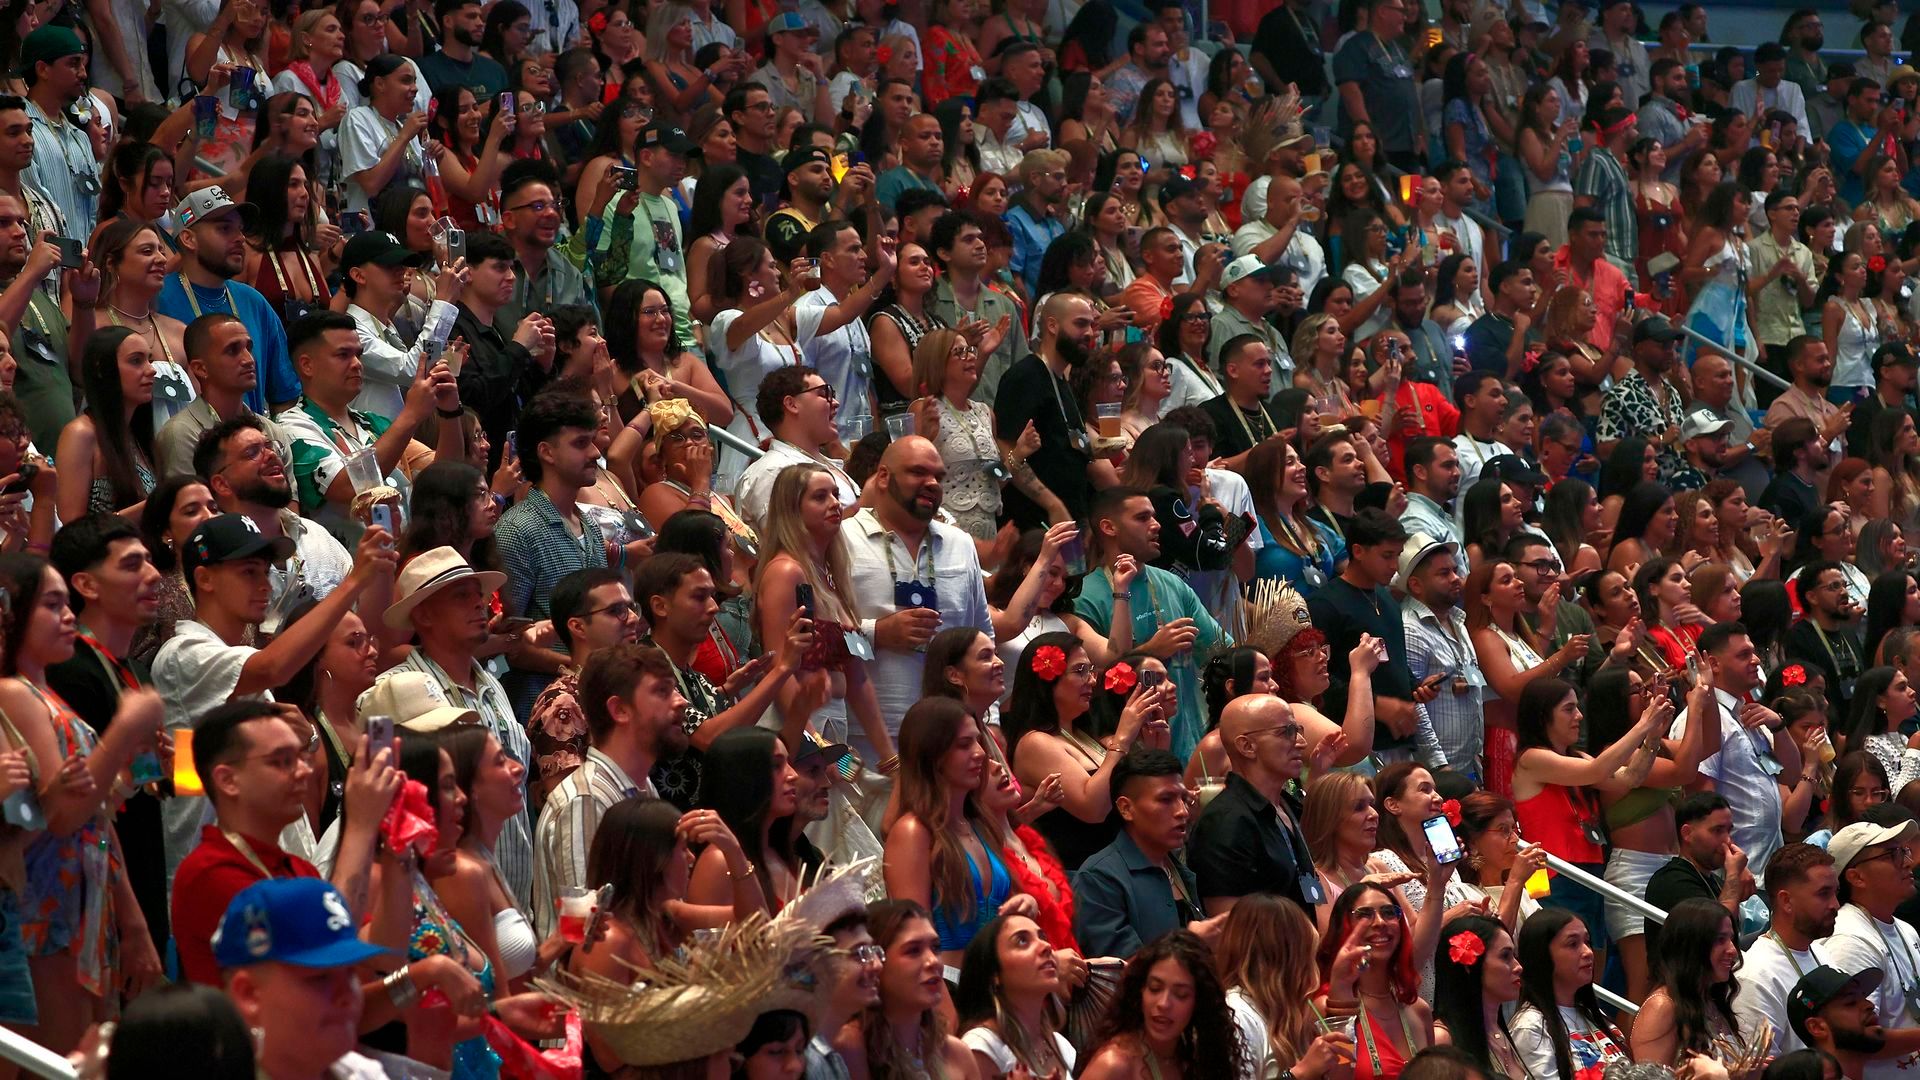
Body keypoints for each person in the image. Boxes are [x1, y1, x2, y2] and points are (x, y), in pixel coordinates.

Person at [151, 512, 393, 889]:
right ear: (205, 578)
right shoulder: (183, 652)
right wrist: (355, 581)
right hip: (221, 880)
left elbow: (193, 770)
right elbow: (274, 667)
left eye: (265, 572)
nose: (263, 583)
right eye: (248, 572)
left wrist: (302, 740)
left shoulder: (237, 665)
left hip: (267, 872)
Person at [169, 697, 396, 988]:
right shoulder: (209, 872)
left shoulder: (298, 868)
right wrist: (361, 825)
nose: (304, 771)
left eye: (303, 758)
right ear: (228, 780)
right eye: (284, 761)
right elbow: (327, 947)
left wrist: (401, 856)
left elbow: (383, 955)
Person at [531, 641, 688, 938]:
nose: (681, 702)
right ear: (619, 710)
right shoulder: (585, 799)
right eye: (662, 692)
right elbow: (585, 932)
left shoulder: (642, 787)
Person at [1072, 485, 1223, 759]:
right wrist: (1151, 651)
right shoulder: (1086, 596)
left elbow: (1220, 651)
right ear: (1109, 527)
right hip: (1131, 756)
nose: (1156, 525)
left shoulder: (1172, 583)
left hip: (1193, 747)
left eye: (1154, 517)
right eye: (1142, 518)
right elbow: (1087, 686)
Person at [212, 879, 407, 1080]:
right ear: (249, 994)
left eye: (350, 973)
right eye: (320, 978)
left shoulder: (362, 1073)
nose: (347, 996)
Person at [156, 189, 301, 413]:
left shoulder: (254, 301)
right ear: (188, 239)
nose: (240, 238)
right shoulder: (157, 300)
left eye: (240, 230)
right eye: (225, 228)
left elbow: (284, 397)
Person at [1074, 747, 1221, 958]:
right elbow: (1119, 973)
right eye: (1166, 800)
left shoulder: (1177, 867)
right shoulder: (1099, 878)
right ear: (1126, 808)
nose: (1182, 811)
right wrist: (1192, 943)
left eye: (1183, 798)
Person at [1190, 693, 1320, 915]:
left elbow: (1311, 890)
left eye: (1298, 730)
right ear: (1247, 746)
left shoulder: (1288, 806)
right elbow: (1231, 927)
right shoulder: (1224, 823)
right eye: (1287, 732)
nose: (1301, 742)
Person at [1078, 930, 1249, 1080]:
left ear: (1199, 1002)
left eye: (1180, 995)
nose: (1164, 1003)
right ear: (1140, 990)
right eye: (1155, 989)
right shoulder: (1113, 1064)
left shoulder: (1194, 1054)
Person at [154, 314, 296, 482]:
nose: (249, 360)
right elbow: (191, 505)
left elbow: (290, 505)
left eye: (248, 348)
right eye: (233, 350)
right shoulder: (182, 434)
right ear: (201, 368)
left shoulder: (272, 430)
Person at [1733, 843, 1841, 1056]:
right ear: (1786, 901)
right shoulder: (1756, 977)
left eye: (1835, 893)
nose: (1835, 905)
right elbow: (1758, 1071)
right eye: (1823, 894)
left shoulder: (1822, 954)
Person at [1508, 910, 1630, 1080]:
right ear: (1542, 955)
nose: (1588, 952)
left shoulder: (1592, 1014)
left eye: (1587, 942)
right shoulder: (1530, 1027)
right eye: (1573, 944)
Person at [955, 911, 1077, 1079]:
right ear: (994, 974)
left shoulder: (1061, 1045)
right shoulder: (982, 1046)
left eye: (1043, 937)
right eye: (1022, 941)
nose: (1046, 946)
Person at [1631, 897, 1749, 1065]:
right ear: (1692, 946)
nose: (1733, 951)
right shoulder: (1662, 1007)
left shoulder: (1711, 999)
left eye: (1731, 939)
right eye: (1720, 940)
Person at [19, 28, 101, 244]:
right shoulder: (20, 130)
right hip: (43, 266)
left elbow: (93, 211)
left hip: (80, 269)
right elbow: (35, 207)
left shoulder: (80, 139)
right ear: (43, 69)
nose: (83, 73)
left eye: (83, 64)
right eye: (73, 63)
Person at [1432, 915, 1530, 1080]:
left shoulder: (1498, 1031)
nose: (1518, 967)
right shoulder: (1442, 1039)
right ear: (1468, 965)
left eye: (1514, 956)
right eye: (1505, 956)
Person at [1785, 561, 1867, 721]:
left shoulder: (1848, 631)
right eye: (1834, 587)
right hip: (1828, 726)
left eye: (1845, 585)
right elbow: (1805, 695)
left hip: (1860, 724)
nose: (1843, 592)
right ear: (1812, 597)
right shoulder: (1798, 637)